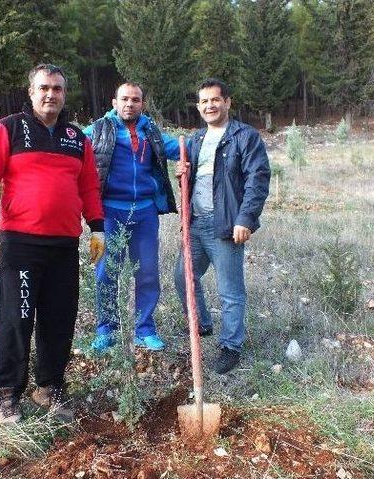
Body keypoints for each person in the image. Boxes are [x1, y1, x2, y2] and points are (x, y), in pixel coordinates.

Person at [0, 63, 105, 425]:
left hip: (63, 245)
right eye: (43, 88)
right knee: (16, 319)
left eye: (57, 89)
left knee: (59, 320)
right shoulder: (8, 129)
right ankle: (8, 394)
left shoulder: (78, 139)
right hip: (22, 244)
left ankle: (50, 386)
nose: (50, 94)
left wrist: (97, 228)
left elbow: (88, 186)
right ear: (30, 92)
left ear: (64, 94)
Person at [174, 78, 270, 374]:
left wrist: (245, 219)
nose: (209, 105)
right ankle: (202, 324)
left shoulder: (245, 136)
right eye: (203, 101)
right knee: (183, 278)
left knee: (230, 291)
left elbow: (258, 179)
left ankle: (231, 346)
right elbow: (198, 181)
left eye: (215, 100)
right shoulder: (196, 140)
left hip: (227, 225)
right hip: (196, 224)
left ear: (227, 102)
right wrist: (181, 174)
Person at [83, 82, 180, 354]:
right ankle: (106, 330)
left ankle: (145, 329)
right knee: (106, 273)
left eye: (135, 100)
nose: (129, 104)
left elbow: (178, 148)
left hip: (146, 213)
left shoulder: (151, 131)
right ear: (114, 102)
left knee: (147, 273)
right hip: (110, 212)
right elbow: (72, 144)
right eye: (124, 99)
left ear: (142, 104)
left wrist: (197, 149)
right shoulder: (98, 130)